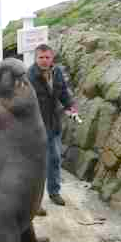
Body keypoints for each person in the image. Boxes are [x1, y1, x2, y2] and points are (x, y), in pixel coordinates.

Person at [27, 44, 77, 209]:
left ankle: (54, 192)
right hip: (36, 128)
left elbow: (63, 93)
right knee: (37, 165)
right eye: (41, 57)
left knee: (55, 159)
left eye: (47, 57)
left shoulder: (57, 72)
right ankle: (34, 202)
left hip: (54, 124)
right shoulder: (28, 76)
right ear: (36, 58)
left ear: (52, 58)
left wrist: (70, 106)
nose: (44, 60)